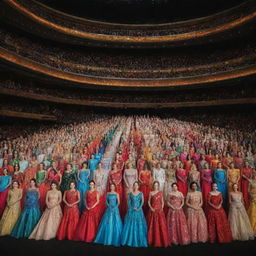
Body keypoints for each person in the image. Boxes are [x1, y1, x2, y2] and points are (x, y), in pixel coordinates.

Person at [121, 181, 148, 247]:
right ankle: (129, 239)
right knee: (130, 224)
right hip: (131, 210)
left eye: (137, 185)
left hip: (139, 211)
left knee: (139, 224)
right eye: (134, 185)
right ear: (133, 186)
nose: (135, 186)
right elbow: (128, 202)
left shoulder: (141, 193)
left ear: (138, 186)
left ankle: (139, 239)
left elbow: (142, 201)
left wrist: (139, 208)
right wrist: (131, 208)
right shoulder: (130, 193)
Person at [147, 181, 169, 247]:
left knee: (161, 225)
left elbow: (162, 201)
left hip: (159, 210)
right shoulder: (151, 192)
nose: (155, 186)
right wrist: (151, 208)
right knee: (152, 224)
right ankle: (153, 239)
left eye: (157, 185)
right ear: (153, 186)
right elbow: (148, 201)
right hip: (153, 210)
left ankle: (162, 239)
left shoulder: (160, 192)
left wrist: (162, 207)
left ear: (158, 186)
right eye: (155, 185)